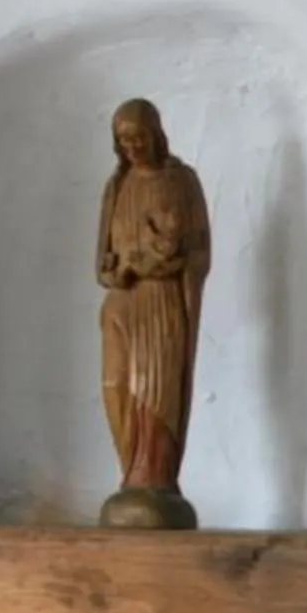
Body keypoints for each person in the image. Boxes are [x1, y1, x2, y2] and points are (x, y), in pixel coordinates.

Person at [95, 98, 213, 526]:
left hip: (162, 302)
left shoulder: (180, 181)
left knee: (154, 390)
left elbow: (197, 250)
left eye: (139, 137)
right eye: (124, 140)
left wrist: (162, 262)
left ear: (157, 134)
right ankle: (131, 474)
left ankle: (156, 479)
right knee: (117, 386)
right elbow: (101, 260)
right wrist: (114, 271)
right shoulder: (116, 186)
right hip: (123, 302)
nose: (133, 147)